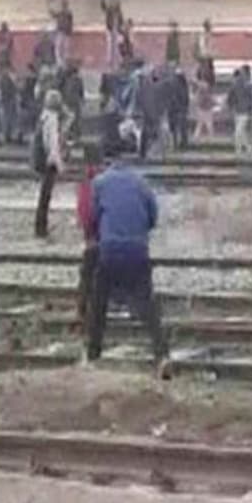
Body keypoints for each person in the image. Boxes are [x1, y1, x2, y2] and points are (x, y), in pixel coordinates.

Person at [86, 139, 168, 365]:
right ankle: (162, 354)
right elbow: (153, 216)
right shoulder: (142, 182)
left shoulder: (99, 183)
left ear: (107, 161)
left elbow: (92, 219)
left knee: (99, 302)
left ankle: (93, 354)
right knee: (148, 305)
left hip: (110, 250)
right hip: (138, 250)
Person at [34, 89, 69, 238]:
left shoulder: (44, 116)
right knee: (45, 196)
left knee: (44, 196)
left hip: (43, 160)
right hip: (49, 162)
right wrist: (60, 165)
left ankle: (41, 225)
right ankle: (41, 227)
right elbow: (53, 145)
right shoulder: (52, 119)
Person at [75, 142, 103, 327]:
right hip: (102, 231)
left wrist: (86, 229)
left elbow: (84, 209)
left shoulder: (87, 181)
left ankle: (83, 310)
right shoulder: (101, 178)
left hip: (93, 234)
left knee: (88, 272)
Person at [228, 65, 252, 157]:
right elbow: (231, 97)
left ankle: (238, 151)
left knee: (238, 132)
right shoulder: (239, 84)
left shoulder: (248, 85)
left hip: (243, 111)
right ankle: (248, 149)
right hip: (238, 110)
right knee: (242, 132)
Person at [167, 64, 190, 151]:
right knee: (180, 128)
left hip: (175, 109)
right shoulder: (183, 85)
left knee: (174, 129)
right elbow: (185, 98)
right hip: (179, 109)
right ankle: (181, 145)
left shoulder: (172, 83)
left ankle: (176, 145)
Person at [101, 0, 125, 69]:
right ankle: (110, 61)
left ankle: (118, 60)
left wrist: (120, 30)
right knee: (110, 46)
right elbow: (104, 7)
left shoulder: (119, 13)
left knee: (117, 46)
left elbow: (121, 22)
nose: (114, 5)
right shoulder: (109, 10)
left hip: (116, 31)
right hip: (110, 30)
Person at [51, 0, 74, 66]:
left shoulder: (67, 13)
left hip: (64, 32)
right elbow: (54, 15)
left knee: (62, 47)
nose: (63, 6)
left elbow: (54, 15)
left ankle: (62, 61)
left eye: (64, 4)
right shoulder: (64, 13)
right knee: (62, 47)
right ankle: (61, 61)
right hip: (63, 31)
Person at [195, 19, 215, 86]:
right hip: (205, 56)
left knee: (209, 70)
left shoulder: (208, 34)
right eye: (209, 26)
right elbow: (203, 46)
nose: (211, 27)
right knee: (204, 69)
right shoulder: (204, 35)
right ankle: (203, 80)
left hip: (208, 56)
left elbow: (210, 45)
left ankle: (209, 82)